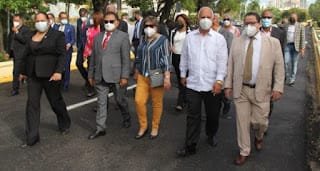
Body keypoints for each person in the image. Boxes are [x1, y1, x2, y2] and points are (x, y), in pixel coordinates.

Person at [224, 12, 285, 165]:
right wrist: (228, 85)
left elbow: (279, 67)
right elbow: (230, 64)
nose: (249, 26)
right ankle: (244, 150)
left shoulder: (273, 43)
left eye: (252, 23)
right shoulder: (237, 42)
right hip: (241, 89)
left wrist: (278, 87)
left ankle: (259, 135)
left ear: (259, 24)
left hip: (262, 90)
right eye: (246, 23)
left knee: (260, 122)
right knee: (242, 122)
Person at [176, 7, 228, 157]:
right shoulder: (190, 37)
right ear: (197, 19)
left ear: (213, 20)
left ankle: (211, 134)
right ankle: (190, 145)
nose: (205, 20)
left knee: (212, 115)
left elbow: (222, 62)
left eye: (208, 17)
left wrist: (219, 81)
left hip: (212, 85)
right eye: (202, 17)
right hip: (193, 84)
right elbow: (184, 57)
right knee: (193, 116)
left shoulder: (219, 39)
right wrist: (182, 74)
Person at [19, 12, 71, 148]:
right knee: (32, 104)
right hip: (33, 75)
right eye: (37, 20)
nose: (40, 22)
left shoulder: (57, 35)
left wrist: (59, 71)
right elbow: (26, 55)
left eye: (42, 20)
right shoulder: (31, 35)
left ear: (48, 21)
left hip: (51, 75)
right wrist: (23, 72)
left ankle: (64, 122)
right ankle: (32, 137)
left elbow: (62, 54)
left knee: (55, 102)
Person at [87, 12, 131, 140]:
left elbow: (126, 59)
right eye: (106, 21)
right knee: (101, 102)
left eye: (111, 21)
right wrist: (91, 74)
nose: (108, 24)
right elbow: (93, 58)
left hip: (117, 76)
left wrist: (124, 76)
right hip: (100, 76)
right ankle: (100, 128)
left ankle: (126, 117)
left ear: (117, 22)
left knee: (120, 100)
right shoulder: (97, 37)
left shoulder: (123, 37)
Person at [134, 16, 171, 140]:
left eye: (151, 26)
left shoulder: (163, 40)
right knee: (139, 101)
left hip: (156, 75)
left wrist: (167, 76)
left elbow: (166, 58)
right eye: (146, 26)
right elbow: (138, 57)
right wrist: (135, 69)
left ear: (156, 27)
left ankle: (155, 126)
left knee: (156, 103)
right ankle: (143, 125)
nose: (148, 28)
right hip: (142, 76)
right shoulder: (142, 40)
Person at [260, 9, 286, 118]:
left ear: (273, 19)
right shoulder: (255, 31)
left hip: (271, 70)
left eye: (269, 18)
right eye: (264, 17)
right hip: (257, 69)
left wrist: (280, 78)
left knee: (268, 99)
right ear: (261, 19)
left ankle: (265, 119)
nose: (266, 20)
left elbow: (281, 55)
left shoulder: (279, 33)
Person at [212, 13, 234, 118]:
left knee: (222, 88)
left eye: (213, 18)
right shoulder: (207, 33)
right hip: (210, 66)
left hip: (223, 65)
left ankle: (226, 102)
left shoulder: (227, 34)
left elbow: (230, 51)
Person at [169, 13, 191, 111]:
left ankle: (180, 102)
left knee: (185, 77)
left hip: (186, 58)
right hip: (176, 57)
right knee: (180, 79)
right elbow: (171, 42)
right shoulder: (173, 32)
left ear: (185, 21)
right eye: (177, 21)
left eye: (181, 21)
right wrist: (170, 47)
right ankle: (185, 98)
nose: (179, 23)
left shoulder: (190, 32)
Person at [9, 14, 31, 96]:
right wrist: (9, 51)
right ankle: (23, 78)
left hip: (22, 54)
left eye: (17, 20)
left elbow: (24, 40)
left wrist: (17, 32)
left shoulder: (26, 29)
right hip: (14, 53)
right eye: (14, 20)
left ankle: (15, 89)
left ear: (21, 20)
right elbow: (10, 40)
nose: (15, 22)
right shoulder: (13, 29)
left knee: (16, 72)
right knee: (20, 71)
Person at [54, 12, 76, 91]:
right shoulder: (56, 27)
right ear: (59, 18)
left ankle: (66, 84)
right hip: (58, 51)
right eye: (62, 18)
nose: (64, 19)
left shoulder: (71, 27)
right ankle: (59, 83)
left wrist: (69, 44)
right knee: (59, 67)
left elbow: (73, 39)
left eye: (65, 18)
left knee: (66, 67)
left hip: (67, 51)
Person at [283, 12, 305, 86]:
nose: (292, 18)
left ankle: (292, 79)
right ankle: (286, 75)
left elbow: (303, 37)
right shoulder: (286, 25)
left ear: (296, 18)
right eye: (291, 16)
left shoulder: (300, 26)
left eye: (294, 17)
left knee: (294, 63)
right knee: (285, 62)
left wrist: (302, 49)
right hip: (287, 46)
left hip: (296, 47)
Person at [76, 8, 94, 97]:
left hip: (90, 47)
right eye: (81, 16)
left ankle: (91, 88)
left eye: (84, 15)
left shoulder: (92, 21)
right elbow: (78, 34)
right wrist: (78, 45)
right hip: (82, 47)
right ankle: (88, 80)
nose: (82, 17)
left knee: (90, 67)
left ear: (87, 13)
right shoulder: (79, 21)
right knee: (78, 64)